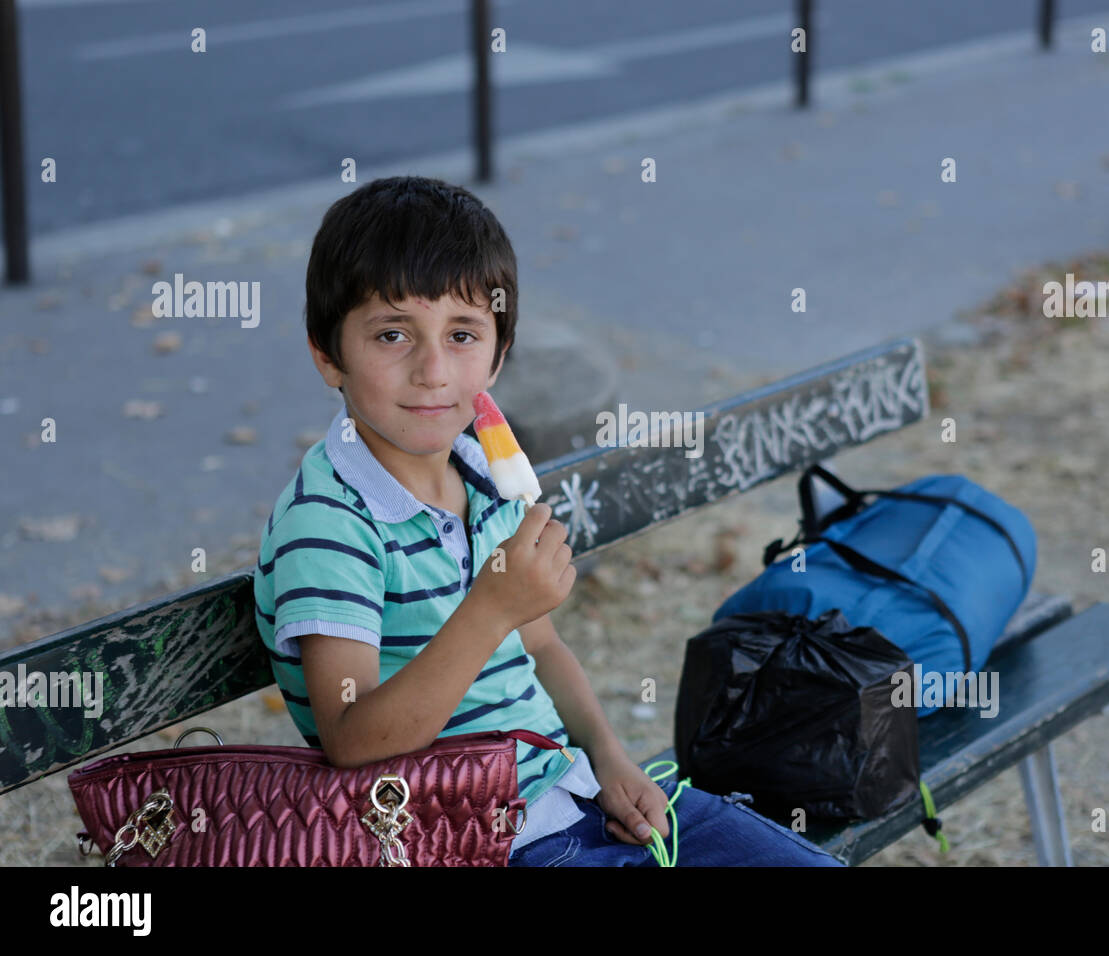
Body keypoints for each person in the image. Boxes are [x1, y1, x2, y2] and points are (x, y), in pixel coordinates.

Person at [252, 175, 843, 867]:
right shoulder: (329, 522)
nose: (434, 370)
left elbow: (542, 648)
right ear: (328, 354)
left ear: (499, 355)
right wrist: (491, 607)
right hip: (474, 840)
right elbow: (353, 739)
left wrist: (611, 755)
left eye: (464, 334)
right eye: (392, 334)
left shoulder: (483, 474)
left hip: (578, 791)